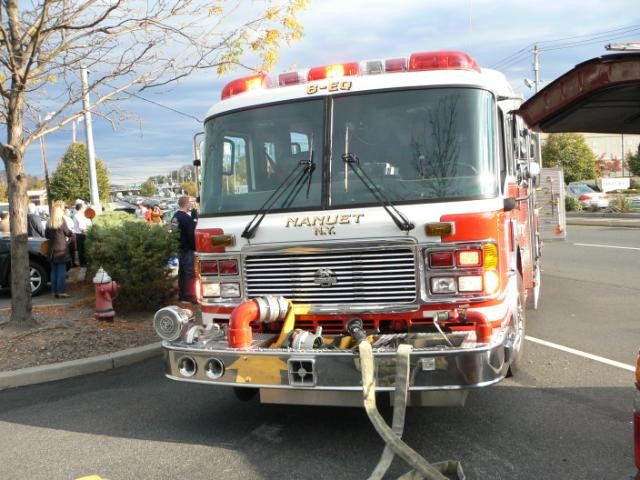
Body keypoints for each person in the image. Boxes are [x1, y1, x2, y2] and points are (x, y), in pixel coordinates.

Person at [171, 196, 197, 303]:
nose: (191, 204)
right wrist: (195, 247)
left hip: (179, 248)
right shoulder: (187, 218)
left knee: (182, 272)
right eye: (190, 202)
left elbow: (174, 232)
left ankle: (182, 295)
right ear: (186, 203)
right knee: (189, 272)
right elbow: (192, 234)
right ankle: (190, 296)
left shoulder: (175, 217)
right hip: (187, 249)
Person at [45, 201, 73, 298]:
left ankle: (54, 291)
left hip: (52, 250)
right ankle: (61, 292)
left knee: (53, 271)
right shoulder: (61, 221)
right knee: (61, 271)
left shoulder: (49, 222)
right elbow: (68, 233)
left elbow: (46, 235)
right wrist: (71, 233)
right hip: (61, 250)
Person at [73, 201, 91, 268]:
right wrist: (88, 234)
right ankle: (83, 264)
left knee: (84, 250)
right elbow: (82, 228)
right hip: (81, 235)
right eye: (84, 207)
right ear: (81, 208)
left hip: (83, 234)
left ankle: (85, 263)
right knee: (82, 250)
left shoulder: (82, 215)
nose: (85, 208)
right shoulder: (78, 215)